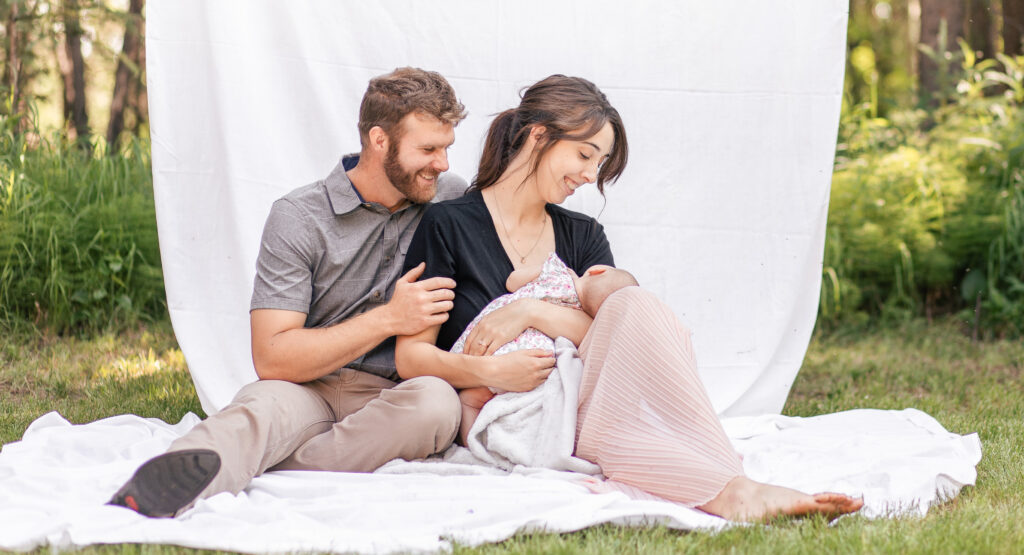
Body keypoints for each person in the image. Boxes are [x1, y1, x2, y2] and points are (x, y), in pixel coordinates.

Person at [394, 74, 864, 522]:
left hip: (593, 398)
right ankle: (732, 490)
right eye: (583, 154)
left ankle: (735, 484)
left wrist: (529, 310)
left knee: (632, 302)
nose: (588, 174)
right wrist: (490, 371)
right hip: (517, 415)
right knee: (628, 421)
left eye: (598, 164)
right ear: (538, 135)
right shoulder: (449, 226)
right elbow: (411, 357)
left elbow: (620, 332)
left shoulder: (583, 236)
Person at [108, 67, 473, 518]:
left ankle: (281, 464)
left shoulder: (449, 198)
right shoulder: (300, 216)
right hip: (306, 386)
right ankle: (154, 487)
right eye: (429, 149)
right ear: (379, 141)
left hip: (392, 394)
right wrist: (388, 319)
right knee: (255, 415)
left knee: (436, 406)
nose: (443, 164)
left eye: (447, 148)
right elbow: (273, 357)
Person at [450, 252, 639, 444]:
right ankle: (487, 446)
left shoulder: (555, 271)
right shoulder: (581, 318)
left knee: (470, 400)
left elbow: (512, 282)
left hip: (495, 344)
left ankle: (468, 443)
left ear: (597, 270)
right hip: (535, 362)